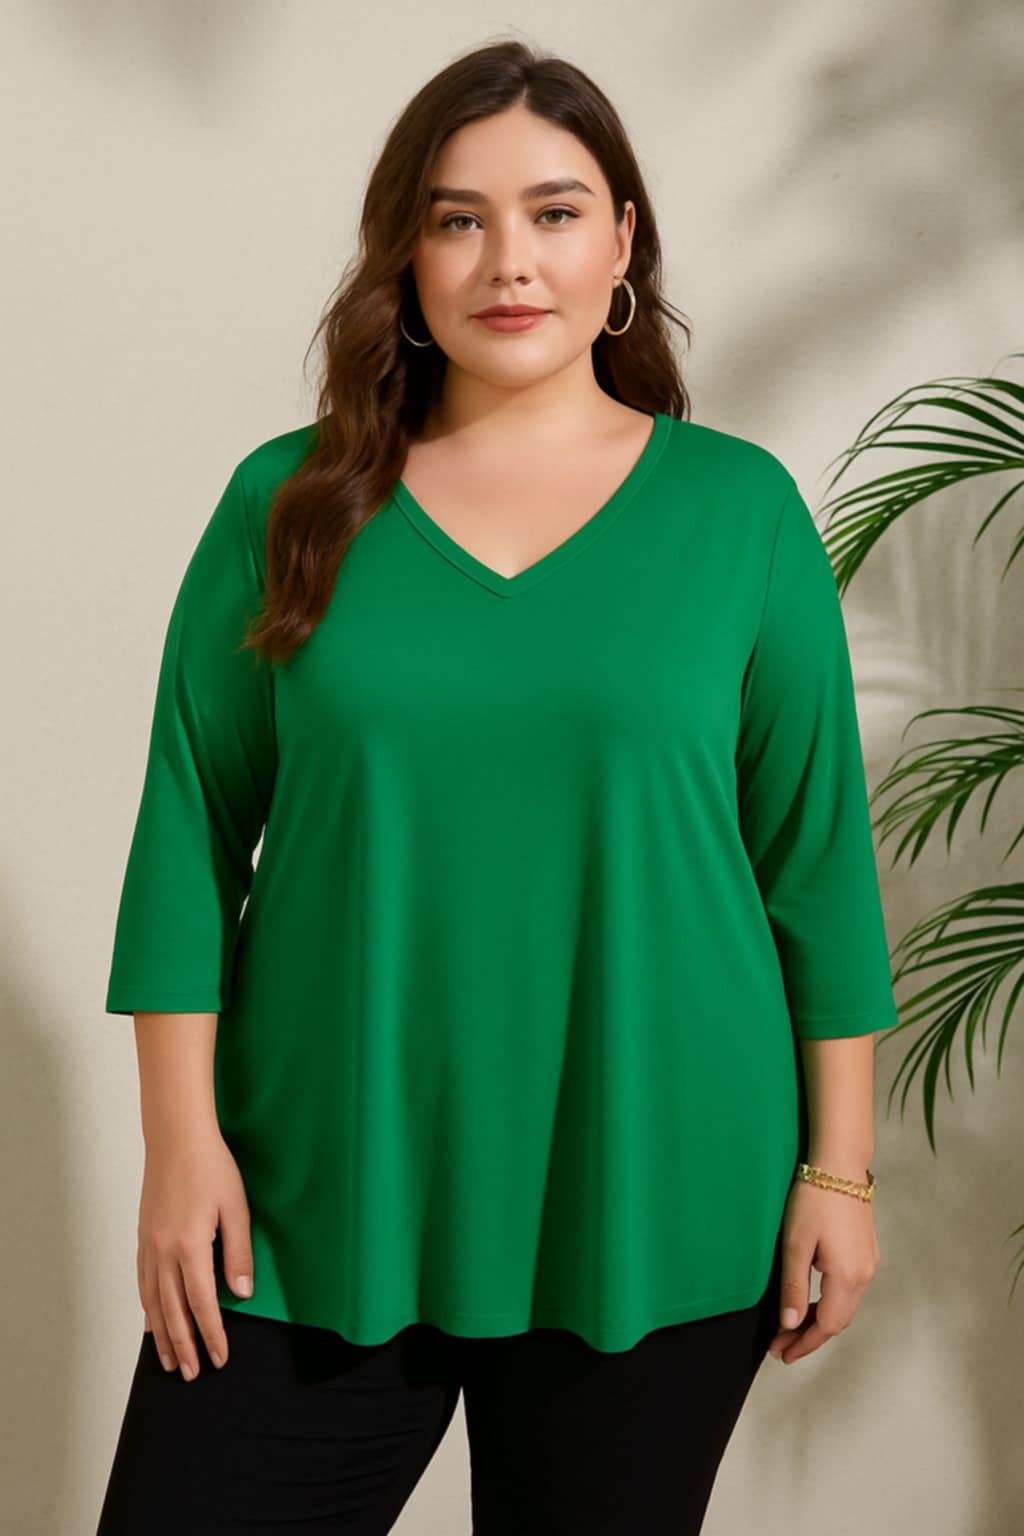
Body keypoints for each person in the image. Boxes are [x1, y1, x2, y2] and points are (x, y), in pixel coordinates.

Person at [95, 37, 894, 1536]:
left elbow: (814, 864)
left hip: (654, 1190)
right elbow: (188, 835)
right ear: (405, 257)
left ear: (622, 244)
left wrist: (838, 1176)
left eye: (554, 212)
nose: (508, 260)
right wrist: (179, 1143)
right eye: (457, 219)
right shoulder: (288, 503)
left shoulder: (740, 516)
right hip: (312, 1195)